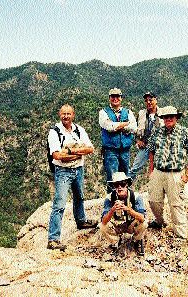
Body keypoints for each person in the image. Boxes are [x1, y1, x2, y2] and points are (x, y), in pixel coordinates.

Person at [47, 104, 98, 250]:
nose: (66, 116)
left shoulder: (79, 130)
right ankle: (53, 238)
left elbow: (91, 148)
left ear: (73, 115)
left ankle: (81, 220)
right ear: (59, 114)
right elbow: (57, 156)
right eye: (63, 114)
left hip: (78, 169)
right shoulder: (54, 132)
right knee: (60, 204)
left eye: (68, 114)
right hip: (62, 171)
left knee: (79, 197)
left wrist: (69, 151)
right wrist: (77, 153)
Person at [147, 106, 188, 239]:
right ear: (163, 118)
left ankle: (181, 234)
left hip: (175, 173)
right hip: (158, 172)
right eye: (166, 117)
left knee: (176, 204)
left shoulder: (185, 133)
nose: (168, 119)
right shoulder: (157, 132)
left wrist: (187, 174)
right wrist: (151, 169)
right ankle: (160, 222)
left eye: (171, 116)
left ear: (176, 118)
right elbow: (151, 151)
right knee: (154, 201)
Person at [99, 88, 137, 192]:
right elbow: (109, 126)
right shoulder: (103, 112)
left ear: (121, 98)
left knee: (125, 177)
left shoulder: (128, 112)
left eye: (117, 96)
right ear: (109, 98)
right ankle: (112, 204)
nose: (115, 98)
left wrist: (118, 126)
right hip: (110, 150)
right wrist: (125, 124)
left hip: (125, 150)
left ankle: (126, 202)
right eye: (113, 96)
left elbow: (134, 128)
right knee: (112, 178)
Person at [100, 172, 147, 256]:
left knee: (144, 223)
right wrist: (112, 210)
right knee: (102, 226)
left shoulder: (136, 197)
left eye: (122, 184)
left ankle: (137, 240)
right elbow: (104, 221)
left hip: (131, 224)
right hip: (118, 225)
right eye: (116, 185)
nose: (119, 187)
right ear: (114, 187)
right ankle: (115, 242)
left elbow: (142, 218)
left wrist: (129, 210)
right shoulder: (109, 198)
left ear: (127, 185)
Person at [129, 92, 163, 181]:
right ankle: (125, 189)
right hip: (145, 145)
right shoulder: (141, 114)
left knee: (159, 169)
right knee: (135, 168)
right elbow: (133, 129)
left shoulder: (163, 113)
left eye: (150, 100)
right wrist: (137, 140)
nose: (148, 102)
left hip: (159, 147)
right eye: (146, 100)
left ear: (156, 100)